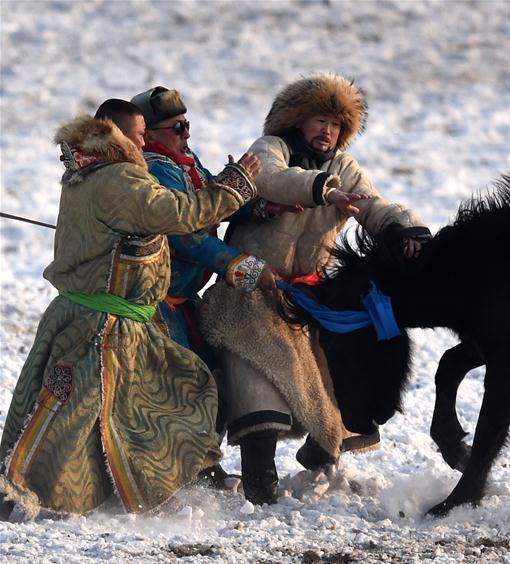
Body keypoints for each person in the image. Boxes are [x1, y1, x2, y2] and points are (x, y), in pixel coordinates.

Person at [0, 99, 259, 519]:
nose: (144, 141)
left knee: (106, 408)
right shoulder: (121, 179)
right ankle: (31, 490)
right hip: (105, 328)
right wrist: (236, 183)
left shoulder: (90, 173)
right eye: (139, 133)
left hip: (92, 317)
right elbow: (181, 213)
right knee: (175, 393)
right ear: (117, 135)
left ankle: (151, 482)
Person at [198, 73, 431, 504]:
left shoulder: (344, 168)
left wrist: (405, 228)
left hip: (309, 300)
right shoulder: (270, 149)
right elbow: (268, 177)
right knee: (260, 381)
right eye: (319, 120)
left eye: (336, 125)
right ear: (297, 121)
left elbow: (373, 206)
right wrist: (320, 190)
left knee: (336, 376)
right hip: (248, 294)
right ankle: (259, 481)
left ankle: (322, 461)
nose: (327, 131)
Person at [130, 87, 289, 484]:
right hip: (156, 305)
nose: (186, 133)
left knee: (212, 377)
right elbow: (186, 235)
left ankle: (201, 462)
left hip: (183, 300)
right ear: (148, 134)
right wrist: (244, 267)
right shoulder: (155, 170)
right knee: (186, 383)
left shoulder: (183, 161)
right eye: (176, 127)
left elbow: (214, 197)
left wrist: (262, 205)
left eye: (187, 125)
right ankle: (183, 469)